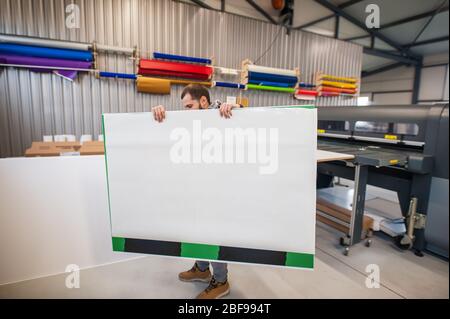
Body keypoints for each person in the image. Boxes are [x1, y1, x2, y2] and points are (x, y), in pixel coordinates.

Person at [151, 84, 241, 299]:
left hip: (216, 188)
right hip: (195, 187)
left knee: (212, 231)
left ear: (203, 102)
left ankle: (221, 281)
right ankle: (201, 268)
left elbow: (244, 114)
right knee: (196, 229)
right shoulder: (188, 123)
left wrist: (234, 106)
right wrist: (158, 113)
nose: (185, 111)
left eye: (189, 106)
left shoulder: (220, 113)